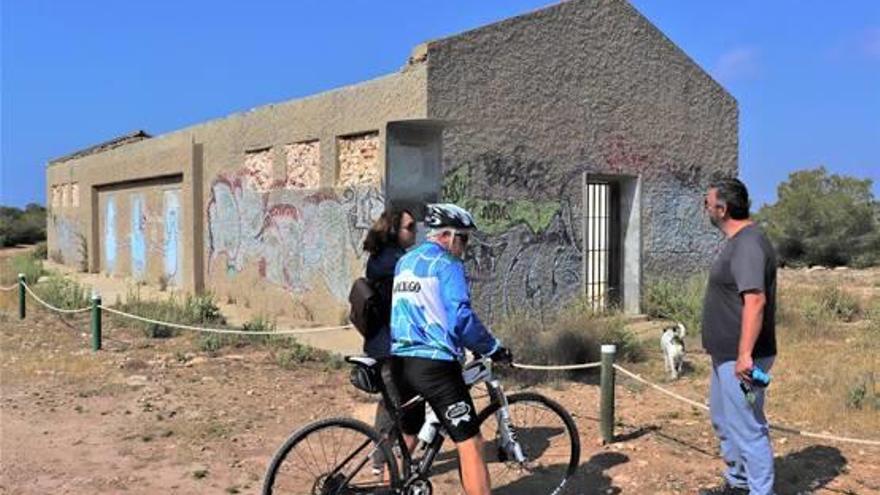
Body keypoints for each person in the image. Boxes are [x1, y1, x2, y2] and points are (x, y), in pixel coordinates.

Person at [390, 203, 512, 495]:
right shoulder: (447, 264)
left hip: (400, 361)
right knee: (470, 441)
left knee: (408, 434)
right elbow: (460, 318)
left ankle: (387, 489)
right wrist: (493, 347)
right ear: (449, 236)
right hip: (433, 364)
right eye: (465, 239)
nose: (465, 247)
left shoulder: (405, 261)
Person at [699, 178, 778, 495]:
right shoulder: (738, 241)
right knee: (724, 420)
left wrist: (745, 355)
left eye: (707, 203)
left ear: (722, 208)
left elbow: (755, 300)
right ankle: (738, 483)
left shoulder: (748, 243)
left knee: (747, 428)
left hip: (741, 358)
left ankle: (761, 491)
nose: (705, 209)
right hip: (726, 355)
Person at [360, 207, 418, 475]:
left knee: (391, 401)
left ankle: (384, 455)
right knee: (404, 403)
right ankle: (384, 461)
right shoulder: (396, 262)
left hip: (381, 341)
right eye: (410, 227)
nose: (415, 232)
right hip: (391, 344)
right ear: (395, 230)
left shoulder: (381, 258)